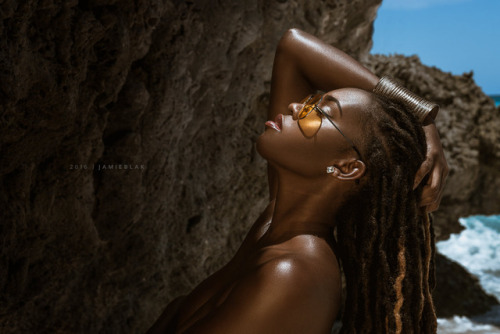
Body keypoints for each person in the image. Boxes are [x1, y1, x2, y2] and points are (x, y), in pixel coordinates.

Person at [147, 28, 448, 334]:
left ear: (345, 168)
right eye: (309, 103)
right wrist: (421, 115)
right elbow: (294, 49)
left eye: (320, 112)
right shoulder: (277, 227)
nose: (295, 107)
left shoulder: (292, 274)